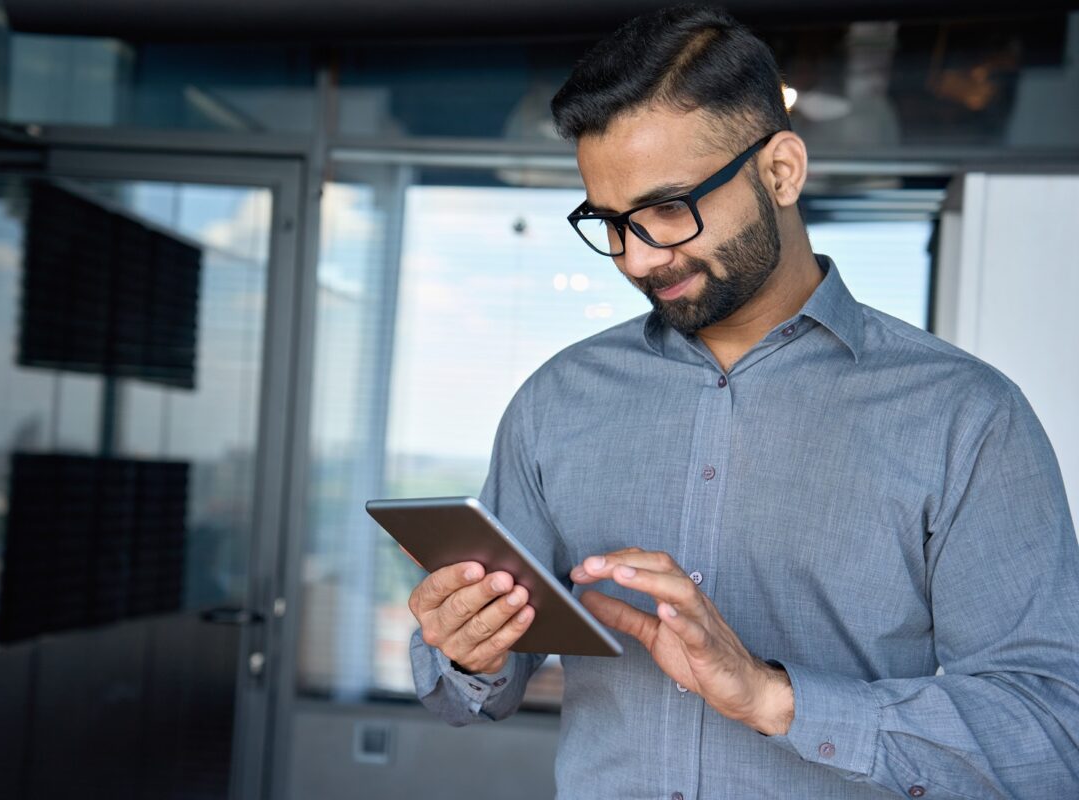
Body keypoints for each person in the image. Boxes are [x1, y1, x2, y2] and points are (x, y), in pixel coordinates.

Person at [406, 5, 1079, 798]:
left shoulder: (967, 417)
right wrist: (463, 649)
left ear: (781, 171)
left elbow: (1051, 733)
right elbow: (473, 689)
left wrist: (774, 697)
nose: (637, 258)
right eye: (611, 223)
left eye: (667, 209)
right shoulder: (556, 401)